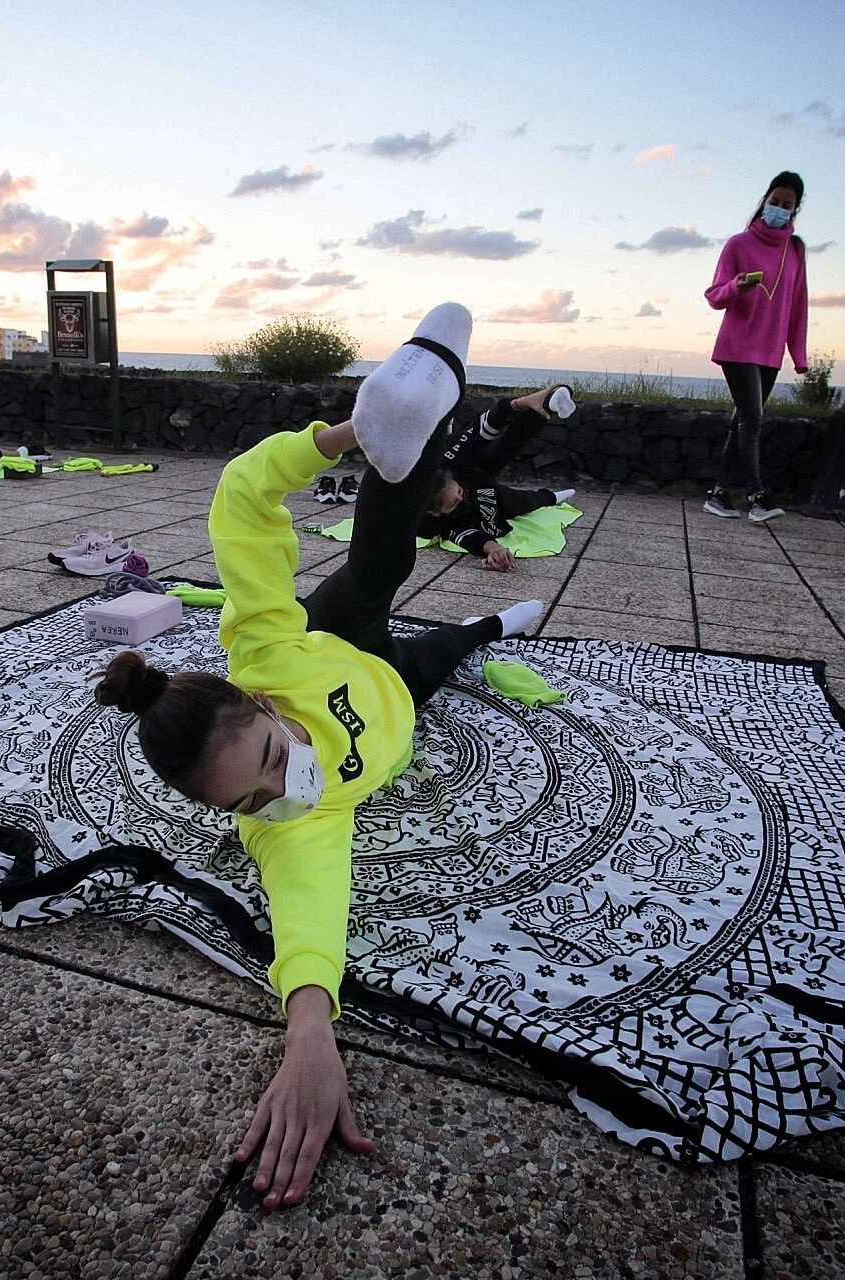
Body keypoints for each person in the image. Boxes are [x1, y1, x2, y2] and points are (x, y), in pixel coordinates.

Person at [92, 304, 543, 1209]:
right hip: (399, 696)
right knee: (449, 655)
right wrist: (310, 1033)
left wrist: (339, 436)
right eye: (250, 801)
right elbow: (307, 918)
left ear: (260, 706)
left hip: (339, 644)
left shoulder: (262, 653)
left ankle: (402, 413)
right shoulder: (295, 822)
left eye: (270, 754)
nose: (281, 787)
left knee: (376, 569)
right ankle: (493, 622)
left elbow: (240, 500)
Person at [702, 170, 810, 523]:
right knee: (752, 419)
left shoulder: (795, 251)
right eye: (775, 202)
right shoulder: (738, 244)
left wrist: (799, 354)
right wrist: (737, 287)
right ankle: (756, 495)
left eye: (787, 205)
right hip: (737, 346)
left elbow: (798, 305)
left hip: (770, 350)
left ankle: (718, 495)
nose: (779, 208)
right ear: (765, 200)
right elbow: (715, 295)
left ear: (795, 210)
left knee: (741, 423)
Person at [418, 385, 578, 572]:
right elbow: (462, 535)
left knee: (503, 449)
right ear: (436, 512)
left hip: (473, 474)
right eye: (453, 502)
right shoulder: (427, 522)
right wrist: (493, 549)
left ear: (450, 476)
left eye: (458, 492)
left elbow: (480, 430)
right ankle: (553, 496)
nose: (460, 498)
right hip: (485, 500)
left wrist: (519, 403)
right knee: (525, 501)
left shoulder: (448, 459)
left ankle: (548, 403)